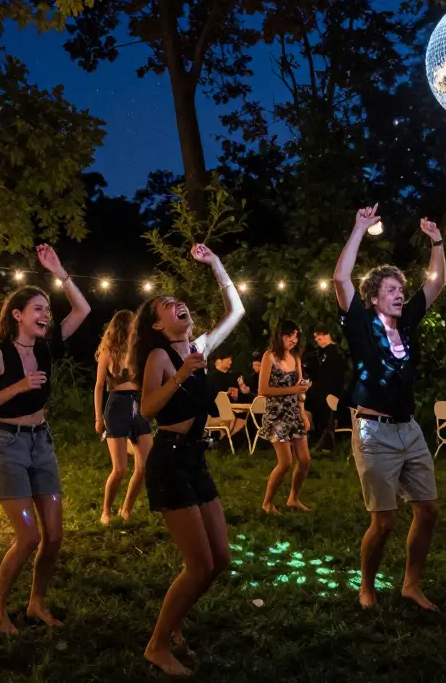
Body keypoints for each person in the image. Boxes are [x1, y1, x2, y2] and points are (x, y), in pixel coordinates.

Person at [0, 244, 90, 634]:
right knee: (28, 536)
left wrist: (59, 271)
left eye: (46, 309)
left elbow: (83, 310)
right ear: (17, 315)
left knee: (53, 536)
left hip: (41, 442)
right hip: (7, 445)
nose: (45, 314)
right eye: (38, 308)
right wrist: (19, 386)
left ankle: (36, 603)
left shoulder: (46, 346)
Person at [133, 243, 244, 676]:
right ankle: (158, 645)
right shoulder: (161, 356)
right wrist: (179, 376)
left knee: (220, 560)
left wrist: (216, 263)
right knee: (199, 565)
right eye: (166, 306)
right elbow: (146, 410)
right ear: (157, 325)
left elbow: (235, 312)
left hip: (196, 460)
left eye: (178, 302)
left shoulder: (198, 345)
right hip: (169, 461)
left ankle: (174, 626)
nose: (177, 305)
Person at [334, 205, 446, 611]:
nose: (401, 295)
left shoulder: (409, 323)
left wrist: (436, 240)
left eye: (401, 290)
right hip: (373, 430)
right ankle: (367, 585)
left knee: (428, 510)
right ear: (375, 298)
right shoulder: (361, 323)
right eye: (392, 291)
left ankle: (411, 584)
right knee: (383, 522)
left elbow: (437, 284)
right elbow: (340, 278)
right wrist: (360, 227)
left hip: (409, 429)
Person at [94, 309, 153, 525]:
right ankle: (106, 510)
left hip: (138, 405)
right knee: (119, 469)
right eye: (132, 326)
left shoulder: (139, 352)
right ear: (122, 328)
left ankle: (126, 508)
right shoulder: (108, 353)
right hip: (117, 405)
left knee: (145, 466)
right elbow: (99, 386)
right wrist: (98, 418)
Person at [258, 320, 313, 514]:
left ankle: (293, 498)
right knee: (286, 463)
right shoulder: (269, 357)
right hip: (277, 414)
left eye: (296, 336)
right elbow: (263, 389)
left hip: (294, 413)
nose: (293, 340)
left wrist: (303, 410)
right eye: (289, 336)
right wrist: (293, 389)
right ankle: (267, 503)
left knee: (305, 460)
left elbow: (299, 391)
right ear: (279, 336)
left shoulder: (296, 358)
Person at [305, 325, 347, 452]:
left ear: (326, 334)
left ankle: (326, 444)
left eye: (319, 337)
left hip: (328, 392)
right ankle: (316, 441)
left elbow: (337, 376)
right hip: (317, 391)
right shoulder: (320, 352)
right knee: (314, 414)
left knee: (325, 418)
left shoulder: (336, 352)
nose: (318, 340)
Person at [205, 351, 247, 435]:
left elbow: (240, 395)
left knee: (244, 415)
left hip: (234, 408)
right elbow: (212, 396)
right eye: (229, 360)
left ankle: (226, 438)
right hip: (217, 410)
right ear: (219, 361)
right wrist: (226, 394)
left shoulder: (233, 377)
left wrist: (237, 395)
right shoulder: (210, 378)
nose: (231, 362)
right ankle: (224, 438)